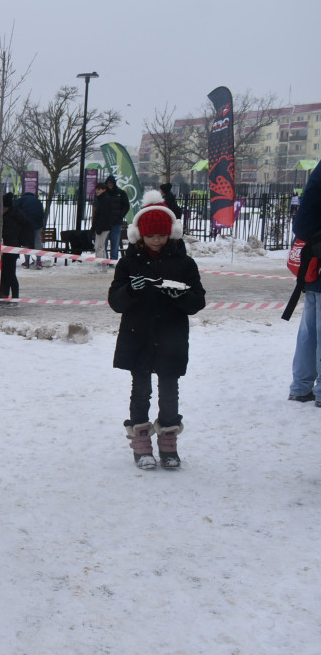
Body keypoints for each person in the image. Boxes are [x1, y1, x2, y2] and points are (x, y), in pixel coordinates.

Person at [108, 190, 204, 469]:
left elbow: (198, 300)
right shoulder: (128, 263)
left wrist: (181, 297)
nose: (157, 240)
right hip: (138, 336)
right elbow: (115, 301)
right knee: (140, 391)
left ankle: (169, 445)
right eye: (151, 236)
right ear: (140, 236)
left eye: (162, 235)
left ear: (171, 234)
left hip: (171, 338)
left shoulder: (185, 263)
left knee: (169, 392)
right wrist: (130, 290)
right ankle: (140, 445)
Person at [288, 163, 321, 406]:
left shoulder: (316, 177)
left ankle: (300, 387)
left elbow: (301, 225)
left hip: (313, 267)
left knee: (309, 332)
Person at [0, 192, 26, 307]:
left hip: (11, 248)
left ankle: (13, 298)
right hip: (9, 248)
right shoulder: (12, 215)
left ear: (6, 207)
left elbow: (8, 233)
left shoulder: (11, 218)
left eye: (2, 207)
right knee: (7, 273)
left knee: (10, 274)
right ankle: (6, 296)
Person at [103, 175, 131, 261]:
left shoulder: (121, 193)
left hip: (116, 222)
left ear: (114, 183)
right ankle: (105, 259)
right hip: (105, 222)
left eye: (111, 183)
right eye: (108, 183)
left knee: (115, 243)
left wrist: (120, 215)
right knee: (104, 243)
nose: (110, 184)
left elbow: (126, 206)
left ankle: (113, 260)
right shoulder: (104, 193)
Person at [17, 190, 45, 269]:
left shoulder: (21, 200)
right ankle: (39, 261)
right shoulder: (37, 201)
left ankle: (26, 262)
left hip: (26, 224)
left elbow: (15, 209)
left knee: (27, 241)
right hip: (38, 224)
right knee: (38, 241)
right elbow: (42, 213)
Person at [91, 182, 112, 272]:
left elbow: (104, 215)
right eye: (96, 189)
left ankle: (100, 265)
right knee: (101, 247)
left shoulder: (105, 200)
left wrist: (99, 228)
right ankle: (103, 266)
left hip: (103, 227)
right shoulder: (101, 199)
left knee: (99, 247)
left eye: (99, 189)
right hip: (102, 227)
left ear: (104, 190)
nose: (97, 191)